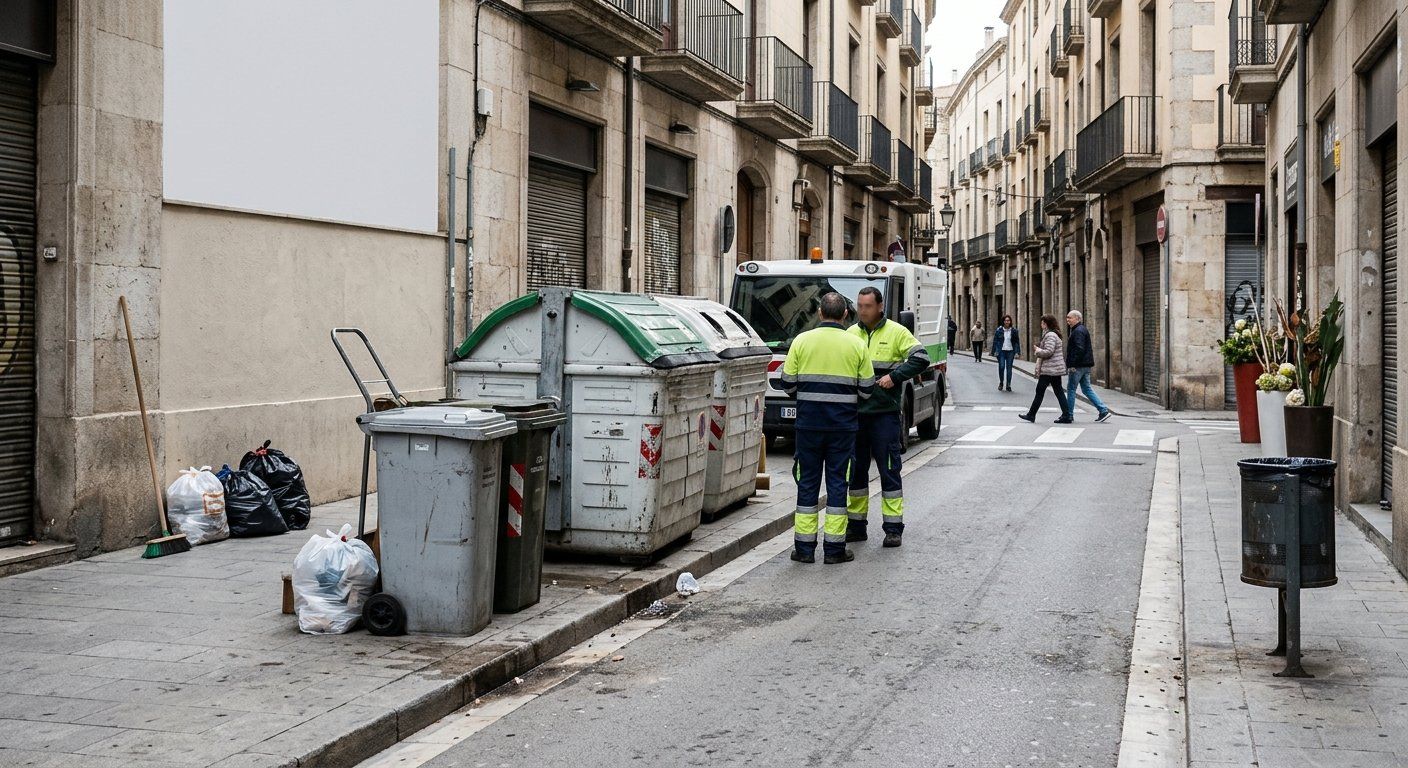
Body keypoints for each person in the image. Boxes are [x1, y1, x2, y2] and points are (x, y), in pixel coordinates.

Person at [780, 292, 875, 564]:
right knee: (837, 484)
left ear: (820, 313)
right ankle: (834, 550)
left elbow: (788, 385)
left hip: (808, 426)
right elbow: (867, 390)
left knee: (807, 485)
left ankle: (804, 549)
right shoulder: (856, 344)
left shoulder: (801, 341)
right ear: (845, 315)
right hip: (842, 429)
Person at [846, 287, 930, 548]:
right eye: (860, 305)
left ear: (880, 306)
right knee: (856, 474)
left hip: (884, 416)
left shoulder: (896, 332)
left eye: (868, 306)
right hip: (856, 416)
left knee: (889, 471)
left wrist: (894, 377)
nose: (862, 310)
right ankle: (857, 526)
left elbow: (921, 358)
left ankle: (893, 528)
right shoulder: (850, 334)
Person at [1018, 314, 1073, 424]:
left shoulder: (1051, 335)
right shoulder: (1052, 334)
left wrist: (1038, 350)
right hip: (1053, 369)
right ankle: (1066, 415)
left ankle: (1031, 415)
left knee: (1040, 391)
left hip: (1049, 369)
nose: (1041, 325)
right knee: (1058, 391)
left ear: (1046, 324)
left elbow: (1049, 351)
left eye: (1042, 323)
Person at [1064, 310, 1112, 423]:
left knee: (1071, 389)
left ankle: (1068, 415)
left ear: (1077, 318)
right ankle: (1103, 410)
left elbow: (1079, 349)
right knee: (1086, 389)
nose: (1067, 320)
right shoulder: (1080, 329)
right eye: (1067, 318)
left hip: (1078, 366)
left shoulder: (1078, 331)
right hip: (1085, 365)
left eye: (1070, 318)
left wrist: (1072, 364)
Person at [991, 315, 1019, 392]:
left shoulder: (1014, 331)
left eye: (1008, 320)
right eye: (1006, 320)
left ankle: (1008, 384)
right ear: (1003, 321)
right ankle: (1001, 383)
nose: (1007, 322)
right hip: (1001, 351)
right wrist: (994, 351)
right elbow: (995, 341)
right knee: (1001, 367)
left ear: (1010, 322)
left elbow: (1016, 342)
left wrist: (1017, 352)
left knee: (1009, 368)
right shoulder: (999, 330)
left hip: (1010, 351)